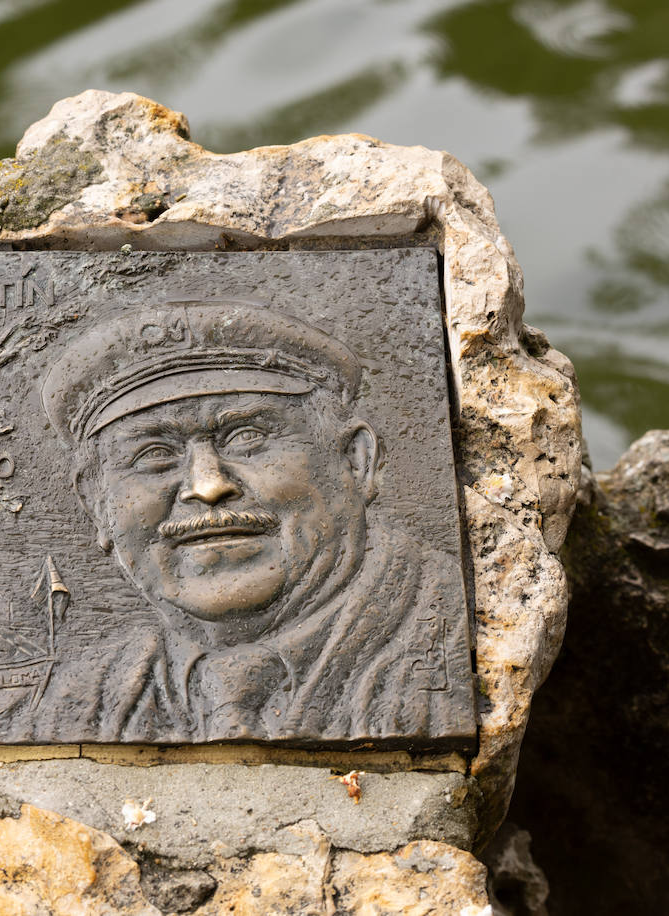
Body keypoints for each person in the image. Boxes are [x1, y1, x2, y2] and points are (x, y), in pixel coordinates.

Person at [37, 300, 475, 745]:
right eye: (154, 455)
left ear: (355, 462)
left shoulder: (462, 636)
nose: (207, 487)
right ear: (96, 506)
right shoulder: (77, 696)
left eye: (247, 437)